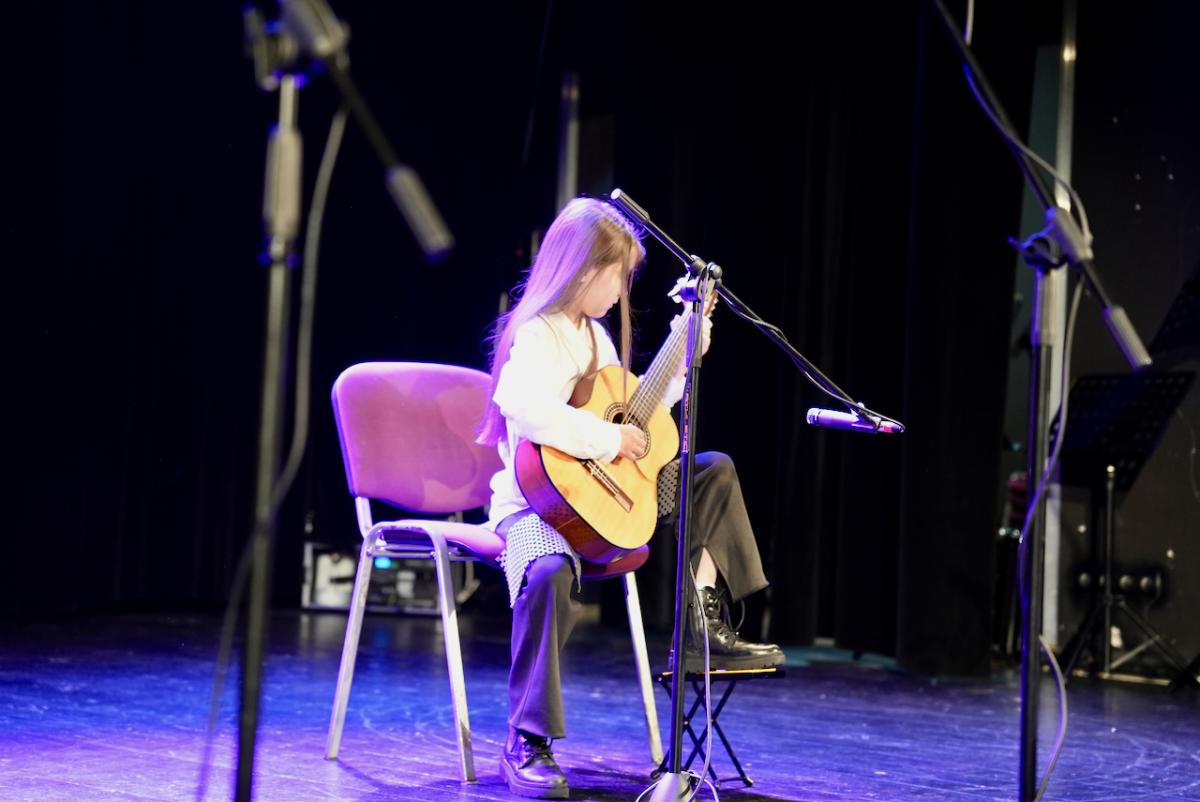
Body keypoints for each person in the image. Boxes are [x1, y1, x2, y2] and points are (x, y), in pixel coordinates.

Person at [477, 197, 783, 799]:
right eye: (618, 276)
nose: (622, 291)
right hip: (537, 508)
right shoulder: (537, 334)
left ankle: (699, 623)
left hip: (602, 498)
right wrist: (608, 438)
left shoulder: (596, 338)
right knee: (546, 572)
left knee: (711, 473)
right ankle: (527, 740)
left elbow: (635, 415)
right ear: (583, 269)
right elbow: (524, 406)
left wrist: (683, 346)